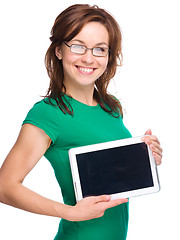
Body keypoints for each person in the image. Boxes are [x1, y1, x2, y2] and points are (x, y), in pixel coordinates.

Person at [0, 4, 162, 240]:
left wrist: (144, 158)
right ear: (58, 51)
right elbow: (5, 186)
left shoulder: (111, 107)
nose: (89, 58)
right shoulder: (49, 113)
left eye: (100, 49)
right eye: (78, 46)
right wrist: (70, 212)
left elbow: (107, 176)